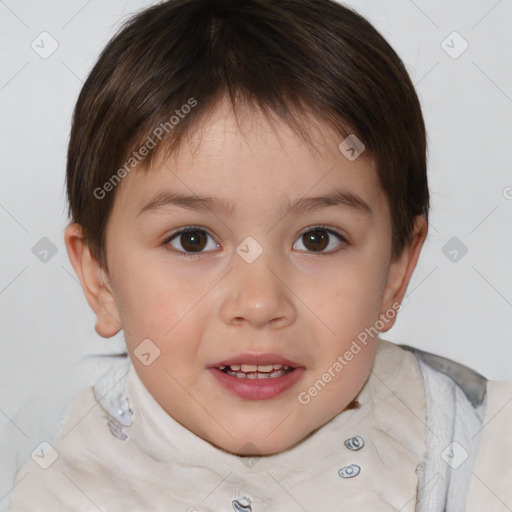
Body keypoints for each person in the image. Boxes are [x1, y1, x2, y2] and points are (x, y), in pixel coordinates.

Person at [7, 0, 512, 510]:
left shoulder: (481, 457)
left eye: (317, 238)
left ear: (396, 272)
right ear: (101, 278)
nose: (258, 302)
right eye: (192, 240)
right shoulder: (54, 492)